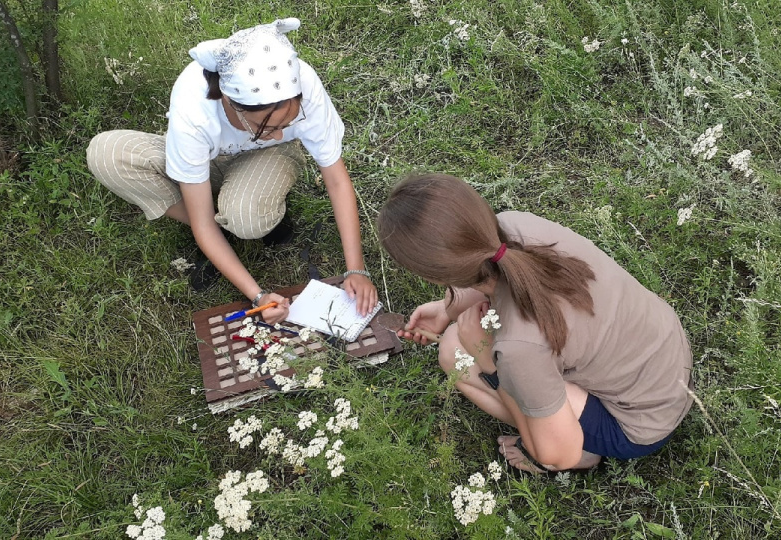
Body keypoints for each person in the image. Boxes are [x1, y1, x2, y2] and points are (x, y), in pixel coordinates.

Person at [377, 174, 693, 472]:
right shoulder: (516, 226)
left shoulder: (519, 348)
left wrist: (488, 361)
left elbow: (558, 454)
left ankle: (588, 452)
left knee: (452, 352)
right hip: (671, 359)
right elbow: (496, 275)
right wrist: (447, 309)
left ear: (433, 275)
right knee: (463, 338)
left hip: (639, 426)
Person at [87, 18, 377, 323]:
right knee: (108, 155)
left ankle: (238, 217)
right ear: (231, 103)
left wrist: (356, 269)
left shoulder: (301, 83)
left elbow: (336, 179)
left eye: (288, 123)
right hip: (208, 160)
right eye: (269, 126)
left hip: (268, 158)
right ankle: (222, 229)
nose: (281, 133)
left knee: (247, 217)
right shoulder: (193, 107)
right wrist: (258, 295)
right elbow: (201, 222)